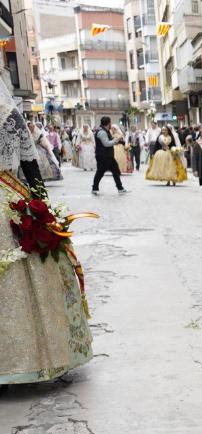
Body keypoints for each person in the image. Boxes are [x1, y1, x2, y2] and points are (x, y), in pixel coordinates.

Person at [0, 77, 93, 385]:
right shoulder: (9, 115)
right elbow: (30, 166)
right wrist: (42, 205)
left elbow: (29, 163)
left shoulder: (9, 115)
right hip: (10, 197)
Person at [92, 117, 128, 195]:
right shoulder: (102, 132)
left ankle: (120, 188)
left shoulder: (105, 130)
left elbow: (110, 140)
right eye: (110, 122)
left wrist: (119, 141)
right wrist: (116, 140)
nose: (111, 124)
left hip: (108, 156)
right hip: (103, 156)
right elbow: (106, 143)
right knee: (100, 172)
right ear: (108, 123)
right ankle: (94, 188)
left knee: (115, 171)